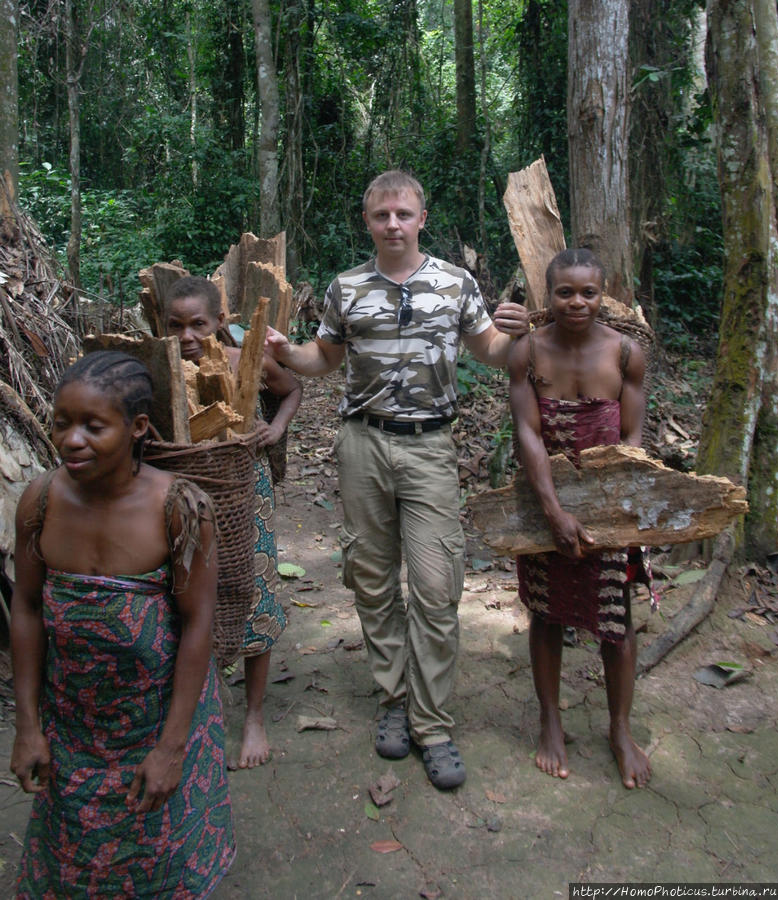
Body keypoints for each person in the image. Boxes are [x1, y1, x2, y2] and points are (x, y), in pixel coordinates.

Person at [265, 169, 529, 789]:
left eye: (403, 214)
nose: (392, 224)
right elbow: (323, 360)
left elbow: (489, 352)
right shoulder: (347, 287)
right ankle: (392, 699)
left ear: (421, 217)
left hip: (430, 447)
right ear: (368, 221)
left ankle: (432, 723)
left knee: (437, 586)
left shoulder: (455, 283)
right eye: (382, 215)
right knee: (372, 577)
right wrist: (283, 350)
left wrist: (522, 332)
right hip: (362, 443)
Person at [10, 351, 235, 897]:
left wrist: (172, 747)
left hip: (156, 719)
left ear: (136, 428)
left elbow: (198, 624)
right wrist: (27, 725)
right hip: (75, 725)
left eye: (93, 426)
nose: (72, 440)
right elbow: (27, 608)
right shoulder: (40, 501)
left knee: (161, 851)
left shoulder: (179, 509)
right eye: (62, 423)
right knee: (73, 852)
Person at [508, 248, 652, 789]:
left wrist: (611, 508)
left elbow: (634, 437)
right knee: (546, 613)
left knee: (617, 619)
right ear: (548, 295)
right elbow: (528, 433)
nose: (576, 303)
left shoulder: (626, 354)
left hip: (609, 505)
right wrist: (553, 511)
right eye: (564, 292)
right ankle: (551, 720)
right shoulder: (526, 352)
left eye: (587, 292)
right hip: (546, 501)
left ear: (603, 293)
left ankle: (620, 729)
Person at [164, 275, 302, 769]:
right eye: (175, 325)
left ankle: (255, 715)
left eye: (197, 324)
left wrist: (275, 427)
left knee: (255, 587)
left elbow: (291, 391)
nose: (186, 336)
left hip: (247, 487)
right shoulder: (161, 368)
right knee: (191, 594)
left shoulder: (249, 359)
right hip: (185, 496)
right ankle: (202, 707)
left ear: (220, 322)